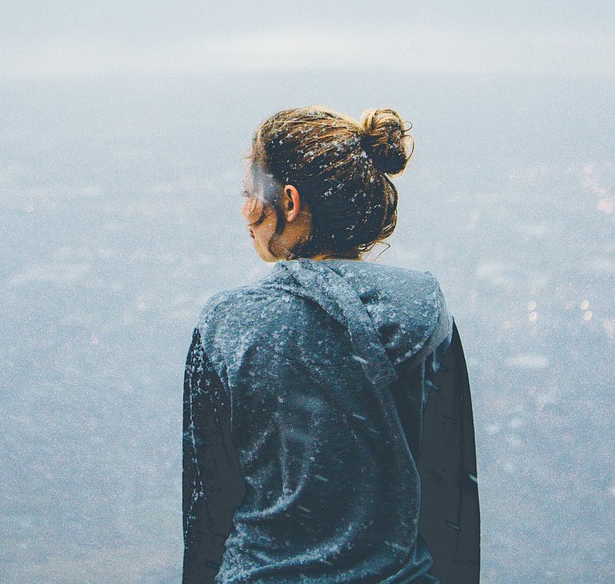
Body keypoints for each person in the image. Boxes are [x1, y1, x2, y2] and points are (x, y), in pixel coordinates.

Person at [182, 107, 479, 583]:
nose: (244, 212)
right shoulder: (424, 312)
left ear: (291, 201)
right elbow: (449, 494)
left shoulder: (229, 324)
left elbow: (209, 505)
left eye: (249, 195)